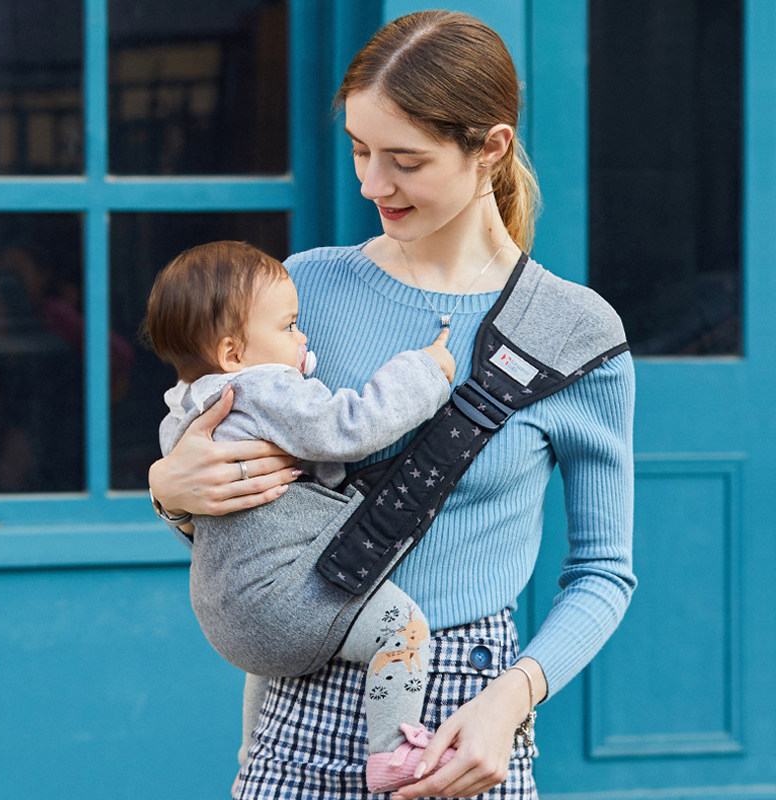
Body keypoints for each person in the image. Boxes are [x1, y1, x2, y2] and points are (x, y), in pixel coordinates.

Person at [148, 11, 636, 800]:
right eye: (359, 150)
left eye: (404, 160)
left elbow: (603, 573)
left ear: (491, 150)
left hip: (461, 721)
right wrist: (170, 494)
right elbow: (245, 498)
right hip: (296, 705)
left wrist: (510, 700)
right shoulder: (300, 291)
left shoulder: (574, 333)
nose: (373, 183)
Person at [147, 239, 462, 792]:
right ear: (232, 354)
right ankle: (392, 753)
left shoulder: (183, 408)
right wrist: (426, 371)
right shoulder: (264, 387)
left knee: (267, 654)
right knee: (402, 629)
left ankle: (252, 756)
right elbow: (350, 427)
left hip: (225, 611)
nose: (303, 337)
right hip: (285, 598)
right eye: (290, 326)